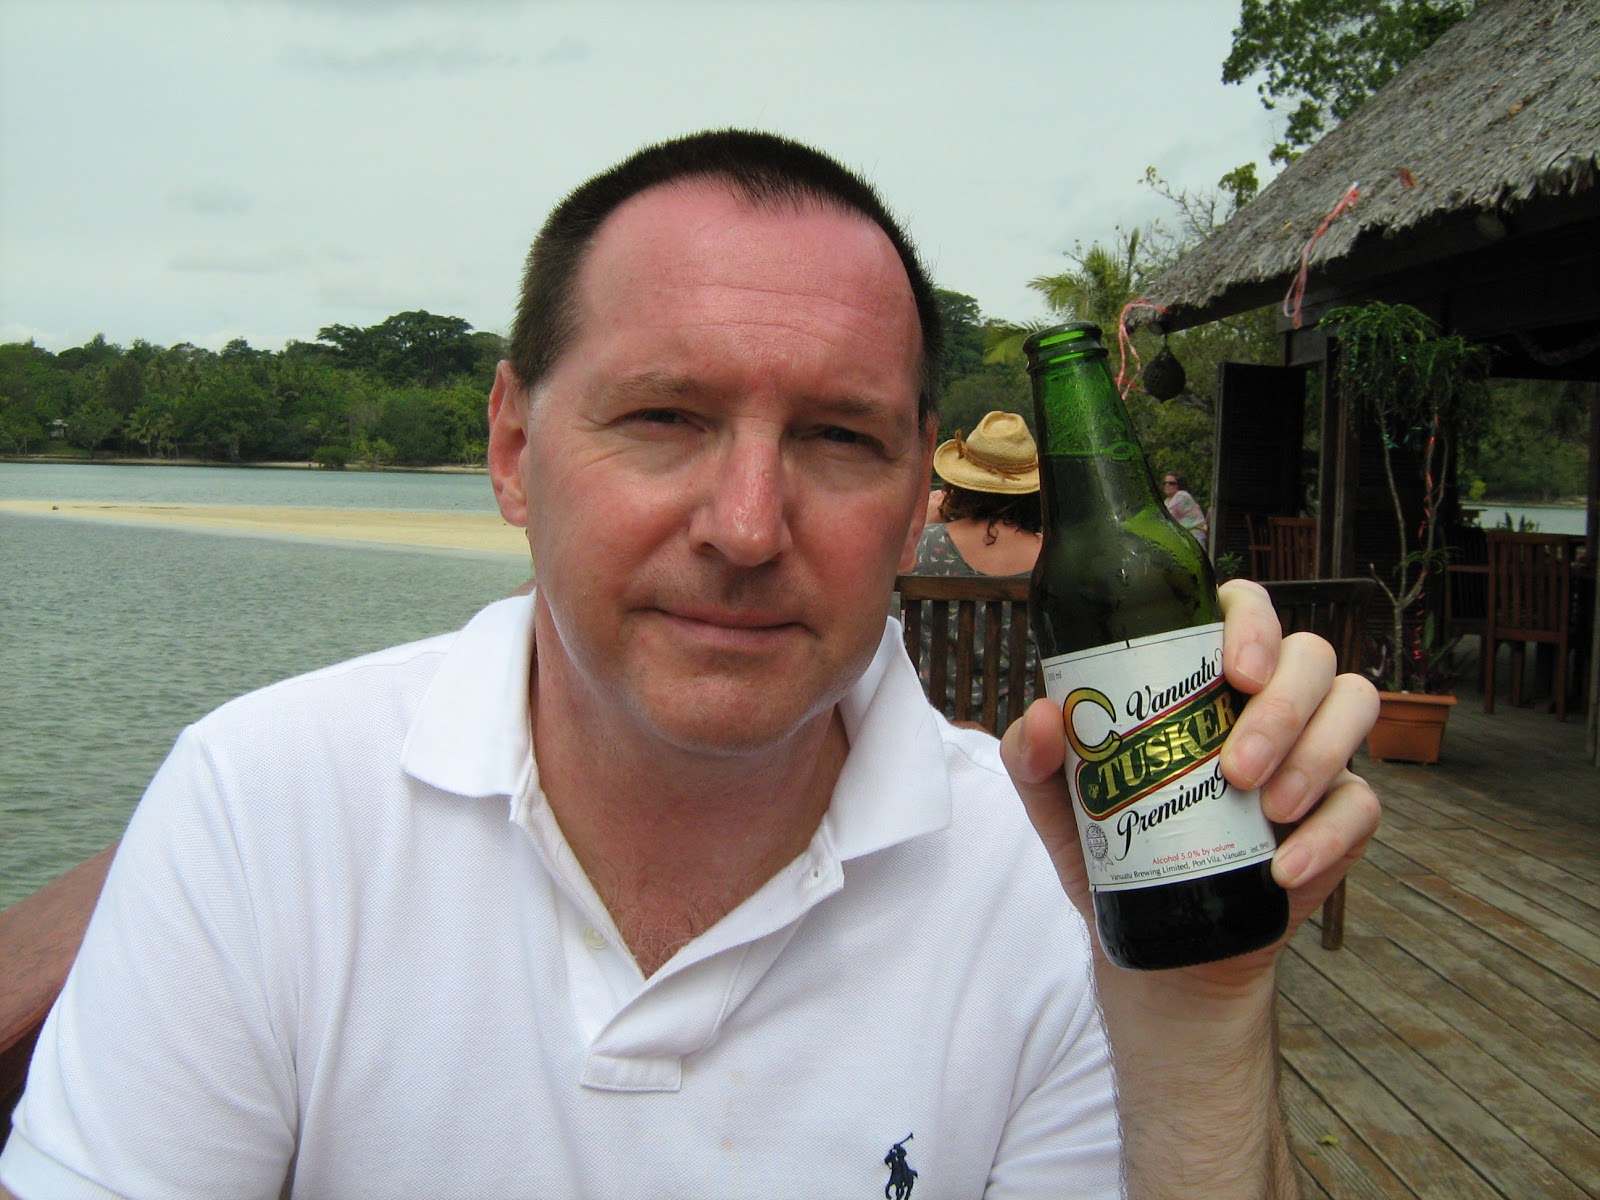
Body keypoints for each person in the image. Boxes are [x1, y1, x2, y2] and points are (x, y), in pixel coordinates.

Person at [1, 130, 1379, 1200]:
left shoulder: (1046, 880)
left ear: (915, 500)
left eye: (840, 439)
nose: (746, 526)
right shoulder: (267, 805)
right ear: (512, 449)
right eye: (664, 416)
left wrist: (1198, 1009)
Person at [909, 410, 1042, 717]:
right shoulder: (1054, 559)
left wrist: (927, 520)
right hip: (1023, 733)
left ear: (960, 483)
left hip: (936, 723)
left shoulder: (925, 547)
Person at [1163, 471, 1209, 548]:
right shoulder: (1167, 501)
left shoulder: (1181, 496)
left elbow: (1166, 517)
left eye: (1171, 483)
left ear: (1178, 485)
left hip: (1194, 535)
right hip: (1184, 537)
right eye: (1165, 483)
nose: (1167, 485)